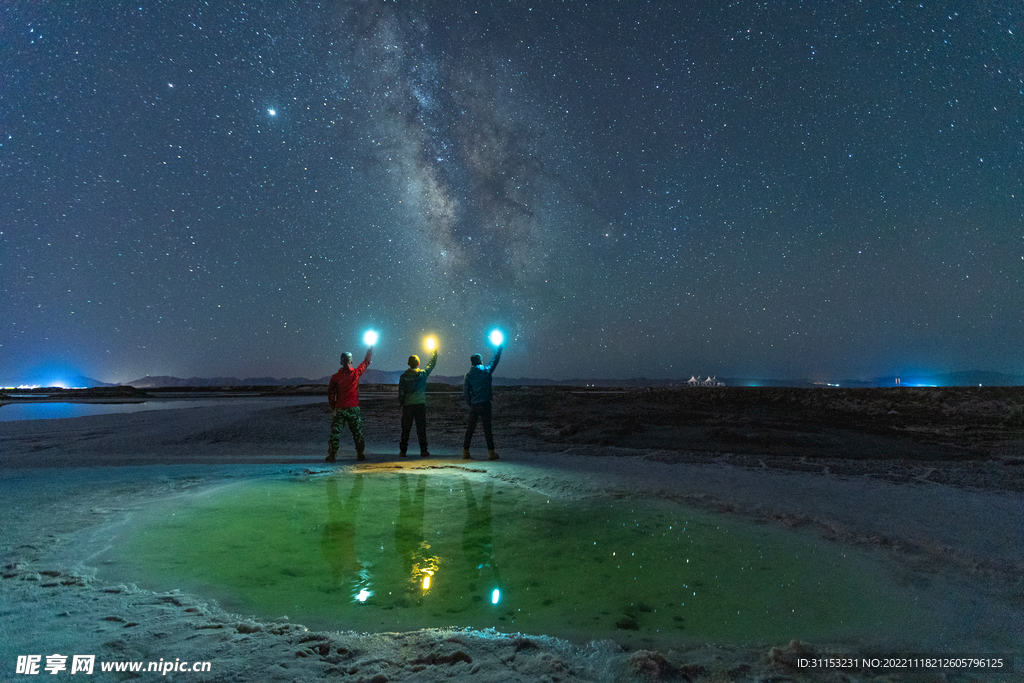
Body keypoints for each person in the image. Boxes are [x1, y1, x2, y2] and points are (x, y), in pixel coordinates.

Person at [326, 345, 373, 462]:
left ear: (341, 362)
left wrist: (334, 407)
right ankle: (360, 454)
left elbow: (331, 394)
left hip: (340, 409)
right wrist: (370, 349)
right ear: (351, 361)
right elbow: (366, 362)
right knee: (357, 432)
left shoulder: (335, 377)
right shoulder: (355, 374)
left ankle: (332, 455)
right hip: (353, 408)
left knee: (336, 433)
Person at [463, 345, 502, 460]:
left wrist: (470, 403)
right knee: (487, 429)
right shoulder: (486, 371)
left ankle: (466, 452)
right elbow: (495, 360)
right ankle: (491, 453)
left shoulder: (468, 375)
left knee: (470, 428)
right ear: (480, 361)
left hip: (475, 405)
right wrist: (499, 349)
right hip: (485, 403)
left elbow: (466, 392)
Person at [397, 346, 438, 457]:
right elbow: (431, 364)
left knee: (405, 429)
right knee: (421, 429)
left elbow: (401, 392)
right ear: (418, 363)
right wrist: (434, 351)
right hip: (420, 404)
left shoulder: (403, 377)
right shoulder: (422, 374)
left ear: (409, 364)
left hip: (407, 406)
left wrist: (401, 403)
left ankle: (403, 451)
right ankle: (423, 450)